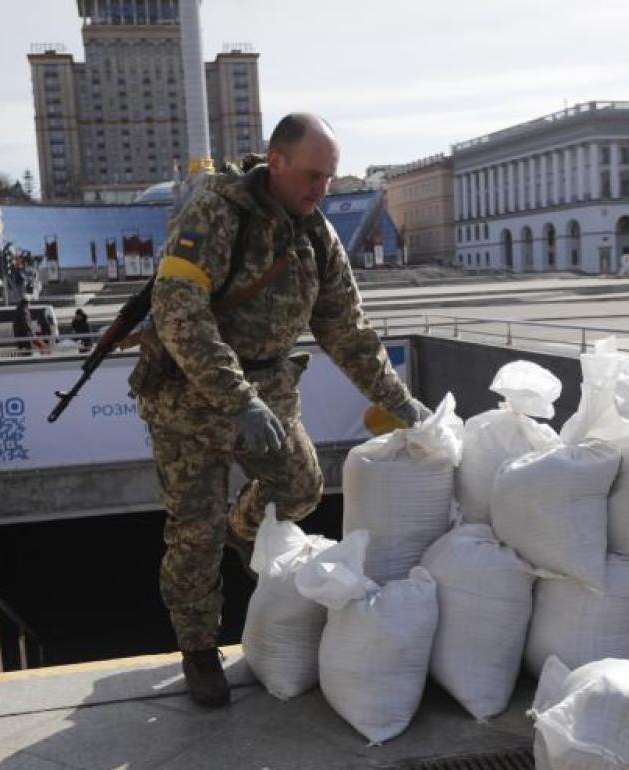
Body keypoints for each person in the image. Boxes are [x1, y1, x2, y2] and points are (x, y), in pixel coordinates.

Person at [136, 113, 431, 707]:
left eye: (329, 178)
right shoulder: (215, 215)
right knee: (191, 535)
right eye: (312, 176)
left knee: (299, 487)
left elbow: (346, 330)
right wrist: (235, 398)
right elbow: (177, 313)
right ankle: (198, 650)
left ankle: (239, 527)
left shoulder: (316, 237)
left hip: (265, 397)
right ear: (276, 163)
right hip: (187, 405)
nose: (321, 189)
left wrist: (400, 403)